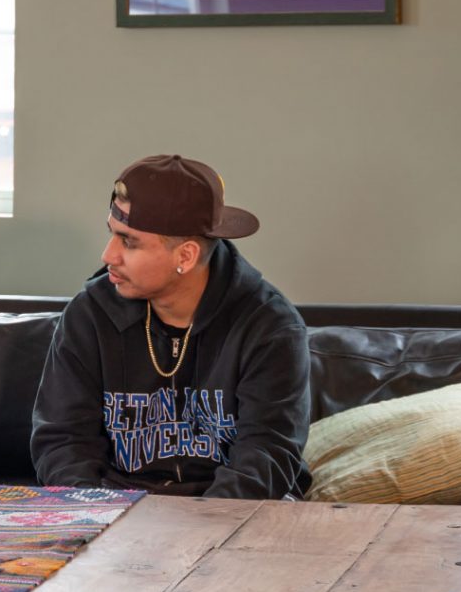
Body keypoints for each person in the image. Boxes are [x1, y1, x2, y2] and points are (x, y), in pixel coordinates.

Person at [31, 154, 310, 498]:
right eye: (112, 234)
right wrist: (96, 513)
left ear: (186, 256)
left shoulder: (269, 326)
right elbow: (63, 441)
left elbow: (266, 457)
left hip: (233, 516)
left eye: (128, 241)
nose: (108, 255)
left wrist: (198, 532)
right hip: (116, 507)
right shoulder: (90, 314)